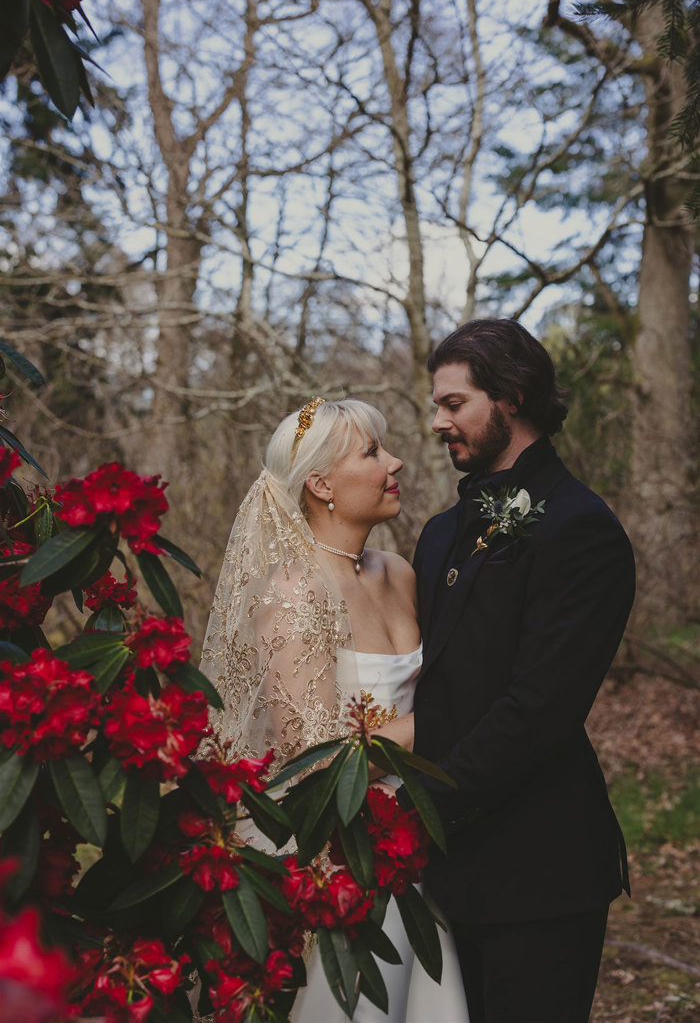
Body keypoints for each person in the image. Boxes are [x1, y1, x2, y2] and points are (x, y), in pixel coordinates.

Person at [396, 318, 636, 1023]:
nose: (437, 421)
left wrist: (423, 813)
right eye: (437, 404)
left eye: (453, 403)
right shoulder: (440, 531)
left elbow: (540, 707)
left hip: (539, 870)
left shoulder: (581, 529)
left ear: (512, 396)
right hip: (437, 878)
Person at [200, 397, 469, 1023]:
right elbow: (319, 763)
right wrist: (454, 723)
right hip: (343, 856)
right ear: (321, 484)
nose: (395, 461)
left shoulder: (398, 573)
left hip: (421, 839)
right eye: (373, 452)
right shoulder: (291, 596)